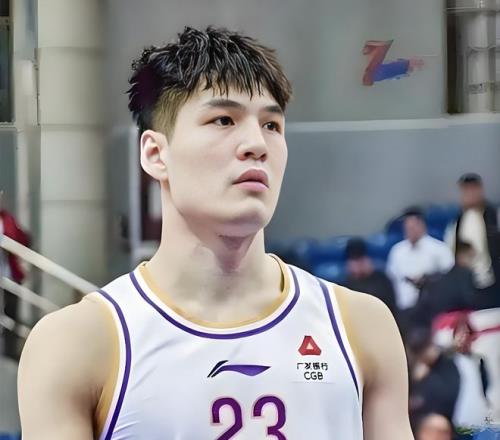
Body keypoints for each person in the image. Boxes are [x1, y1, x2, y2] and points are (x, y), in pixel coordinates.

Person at [18, 27, 413, 439]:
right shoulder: (77, 344)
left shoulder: (360, 326)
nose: (256, 144)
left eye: (272, 125)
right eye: (223, 120)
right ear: (156, 154)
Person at [446, 173, 500, 309]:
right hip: (469, 287)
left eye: (472, 189)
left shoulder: (495, 217)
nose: (469, 194)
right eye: (465, 190)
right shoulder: (456, 224)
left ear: (480, 190)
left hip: (493, 281)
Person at [387, 207, 454, 312]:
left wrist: (427, 279)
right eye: (407, 227)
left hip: (431, 307)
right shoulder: (397, 251)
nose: (410, 230)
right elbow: (392, 278)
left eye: (413, 226)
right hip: (405, 308)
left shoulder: (439, 249)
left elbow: (449, 275)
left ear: (422, 225)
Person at [411, 241, 476, 328]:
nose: (473, 261)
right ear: (461, 256)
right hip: (449, 322)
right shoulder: (463, 275)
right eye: (470, 257)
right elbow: (468, 300)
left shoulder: (445, 277)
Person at [0, 189, 30, 359]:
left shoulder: (8, 219)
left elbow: (23, 239)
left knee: (11, 313)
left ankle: (10, 351)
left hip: (8, 275)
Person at [344, 237, 398, 319]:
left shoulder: (381, 279)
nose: (357, 264)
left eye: (360, 260)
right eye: (353, 261)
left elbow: (389, 306)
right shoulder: (345, 284)